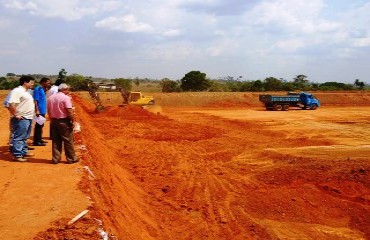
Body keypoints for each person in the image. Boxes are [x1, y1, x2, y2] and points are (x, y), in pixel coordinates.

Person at [47, 83, 79, 164]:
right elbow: (69, 111)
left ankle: (55, 159)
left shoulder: (50, 98)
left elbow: (49, 110)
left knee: (56, 141)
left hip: (54, 121)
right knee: (68, 140)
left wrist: (51, 119)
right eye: (67, 89)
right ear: (64, 89)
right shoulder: (66, 98)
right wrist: (73, 121)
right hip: (64, 121)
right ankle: (71, 158)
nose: (68, 91)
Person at [8, 75, 36, 162]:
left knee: (24, 136)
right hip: (21, 118)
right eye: (31, 83)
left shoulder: (26, 92)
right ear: (25, 82)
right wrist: (15, 114)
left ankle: (23, 151)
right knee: (19, 137)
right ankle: (17, 155)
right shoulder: (17, 91)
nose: (32, 85)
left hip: (28, 117)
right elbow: (11, 103)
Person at [33, 77, 51, 146]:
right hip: (39, 110)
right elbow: (35, 100)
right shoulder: (38, 89)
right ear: (43, 82)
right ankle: (36, 141)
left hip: (43, 110)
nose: (49, 84)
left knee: (41, 125)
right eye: (48, 82)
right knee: (38, 125)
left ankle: (39, 139)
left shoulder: (43, 89)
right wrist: (37, 110)